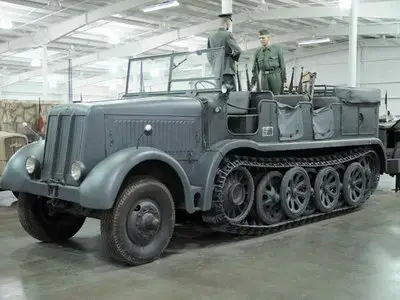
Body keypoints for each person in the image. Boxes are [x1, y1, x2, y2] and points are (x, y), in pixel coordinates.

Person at [207, 13, 242, 90]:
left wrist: (215, 64)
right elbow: (238, 51)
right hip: (227, 71)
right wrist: (233, 57)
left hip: (216, 73)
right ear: (228, 22)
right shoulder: (227, 35)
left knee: (219, 95)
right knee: (230, 96)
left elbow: (209, 55)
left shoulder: (211, 35)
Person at [251, 29, 287, 95]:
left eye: (263, 38)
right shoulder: (258, 52)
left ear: (269, 38)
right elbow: (255, 69)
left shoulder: (277, 49)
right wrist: (254, 82)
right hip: (264, 77)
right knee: (266, 96)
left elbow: (282, 65)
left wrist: (284, 80)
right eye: (260, 38)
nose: (261, 40)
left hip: (276, 76)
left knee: (277, 96)